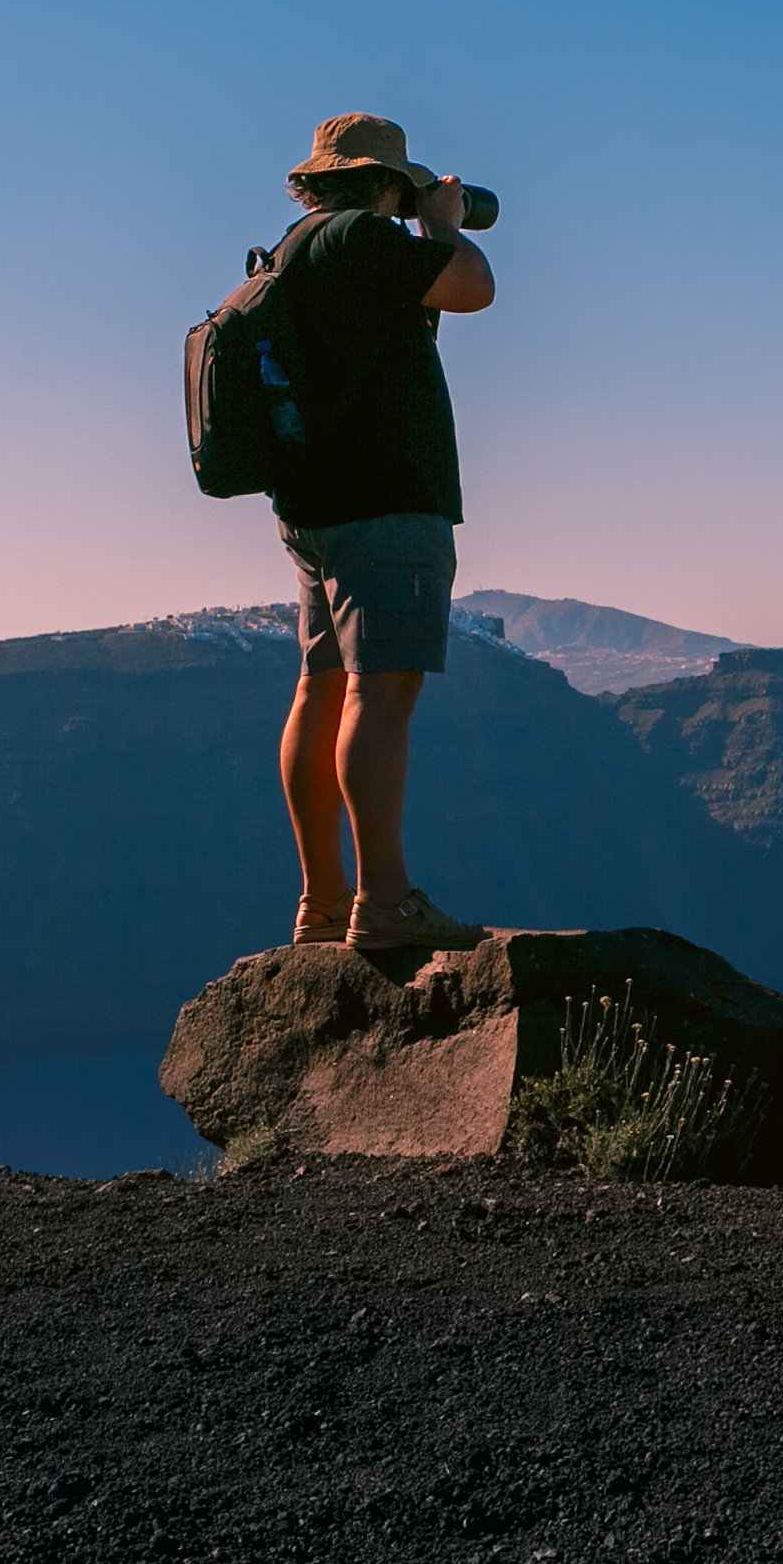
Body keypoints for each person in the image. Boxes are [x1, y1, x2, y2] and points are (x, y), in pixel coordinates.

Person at [264, 110, 497, 953]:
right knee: (381, 690)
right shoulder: (364, 240)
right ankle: (384, 901)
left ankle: (323, 903)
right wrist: (441, 226)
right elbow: (475, 286)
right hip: (385, 500)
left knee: (322, 687)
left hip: (314, 506)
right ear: (384, 183)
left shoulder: (298, 245)